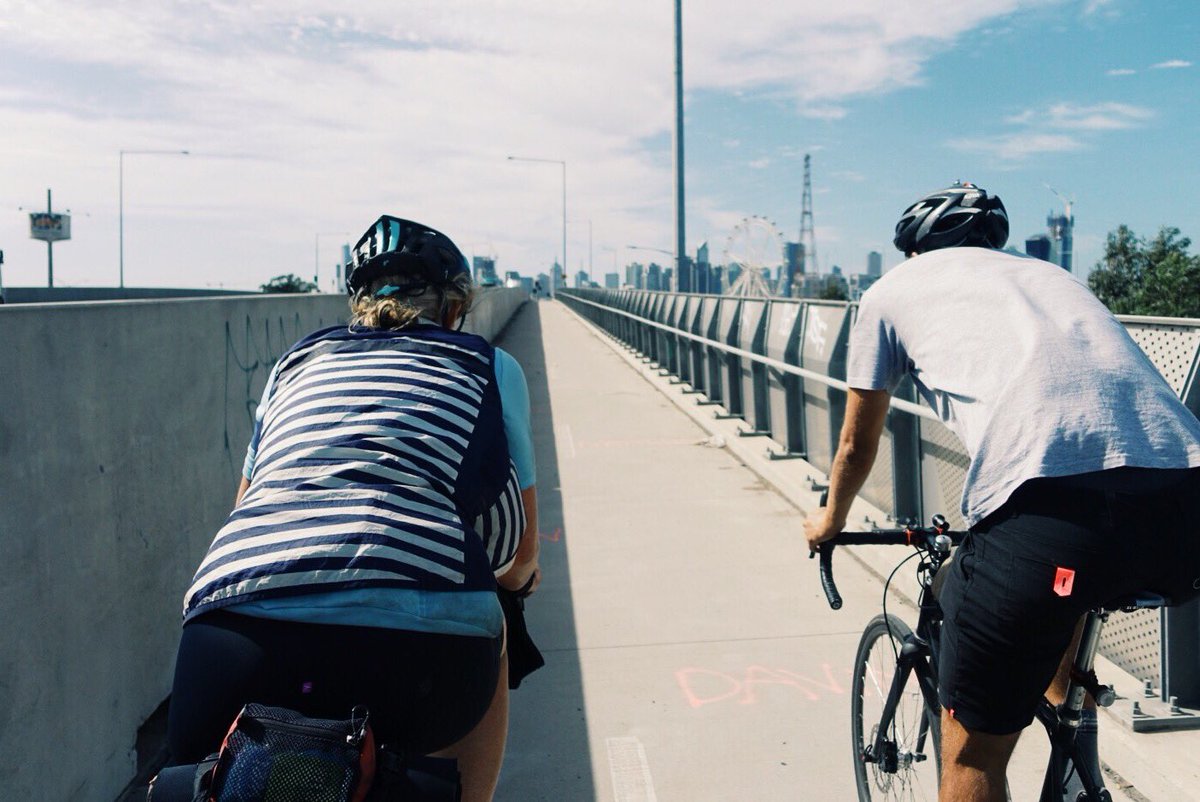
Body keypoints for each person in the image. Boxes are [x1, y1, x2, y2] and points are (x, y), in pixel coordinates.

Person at [803, 182, 1200, 802]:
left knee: (974, 756)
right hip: (1185, 499)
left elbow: (857, 444)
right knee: (1060, 592)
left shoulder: (889, 293)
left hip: (1055, 517)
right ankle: (1072, 726)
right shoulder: (1051, 277)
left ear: (915, 252)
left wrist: (830, 520)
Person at [167, 215, 540, 802]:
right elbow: (515, 552)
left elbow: (244, 507)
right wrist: (510, 579)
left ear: (359, 304)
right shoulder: (486, 367)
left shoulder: (296, 363)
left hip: (232, 635)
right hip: (419, 661)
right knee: (490, 615)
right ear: (453, 309)